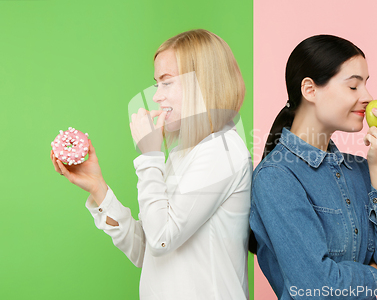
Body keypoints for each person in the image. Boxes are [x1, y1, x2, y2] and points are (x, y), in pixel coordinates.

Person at [50, 29, 252, 300]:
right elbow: (146, 252)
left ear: (203, 84)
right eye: (156, 84)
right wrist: (99, 189)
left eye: (166, 83)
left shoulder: (221, 150)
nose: (156, 97)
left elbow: (161, 240)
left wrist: (150, 156)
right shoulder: (181, 153)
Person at [249, 34, 377, 300]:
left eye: (366, 85)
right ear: (310, 90)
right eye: (353, 87)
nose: (368, 97)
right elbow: (315, 286)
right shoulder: (276, 178)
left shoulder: (363, 170)